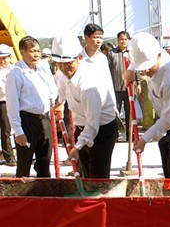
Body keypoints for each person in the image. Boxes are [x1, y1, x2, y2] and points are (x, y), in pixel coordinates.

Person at [124, 32, 170, 178]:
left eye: (147, 68)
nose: (144, 72)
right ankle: (168, 195)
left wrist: (144, 139)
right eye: (141, 69)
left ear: (158, 56)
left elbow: (167, 120)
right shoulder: (153, 52)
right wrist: (130, 70)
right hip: (165, 117)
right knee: (165, 156)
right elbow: (138, 57)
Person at [52, 35, 118, 179]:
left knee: (97, 177)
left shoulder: (89, 84)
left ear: (79, 58)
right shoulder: (62, 73)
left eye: (68, 63)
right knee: (85, 174)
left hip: (102, 130)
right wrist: (60, 104)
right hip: (83, 129)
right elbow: (62, 92)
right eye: (59, 63)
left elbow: (93, 124)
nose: (64, 68)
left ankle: (99, 200)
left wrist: (77, 147)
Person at [5, 36, 57, 177]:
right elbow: (12, 103)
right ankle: (22, 196)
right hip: (27, 121)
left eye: (38, 51)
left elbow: (52, 89)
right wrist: (18, 131)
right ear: (22, 52)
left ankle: (44, 193)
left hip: (44, 119)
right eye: (32, 51)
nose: (36, 54)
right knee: (25, 160)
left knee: (45, 159)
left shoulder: (43, 68)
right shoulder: (16, 73)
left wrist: (54, 101)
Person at [107, 30, 131, 139]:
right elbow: (107, 70)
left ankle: (130, 135)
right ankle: (114, 136)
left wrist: (138, 83)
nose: (123, 41)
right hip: (115, 88)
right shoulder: (112, 53)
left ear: (129, 40)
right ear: (118, 40)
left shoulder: (132, 53)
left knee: (130, 113)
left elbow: (136, 69)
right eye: (121, 39)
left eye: (126, 39)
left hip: (130, 88)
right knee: (115, 114)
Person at [0, 44, 16, 166]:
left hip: (6, 102)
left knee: (6, 130)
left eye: (4, 58)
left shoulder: (14, 71)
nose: (2, 61)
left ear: (10, 57)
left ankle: (9, 157)